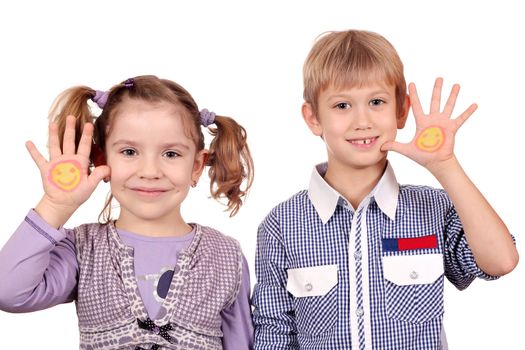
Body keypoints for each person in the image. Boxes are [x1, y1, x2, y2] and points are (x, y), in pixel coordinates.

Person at [252, 30, 518, 349]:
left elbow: (501, 261)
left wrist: (444, 165)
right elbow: (274, 333)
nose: (362, 121)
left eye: (376, 102)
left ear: (401, 111)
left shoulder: (433, 208)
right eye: (342, 105)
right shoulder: (281, 226)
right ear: (313, 117)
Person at [0, 75, 255, 349]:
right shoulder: (83, 250)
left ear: (196, 166)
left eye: (171, 154)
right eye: (129, 151)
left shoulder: (226, 257)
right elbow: (9, 292)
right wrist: (55, 206)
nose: (149, 172)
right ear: (102, 160)